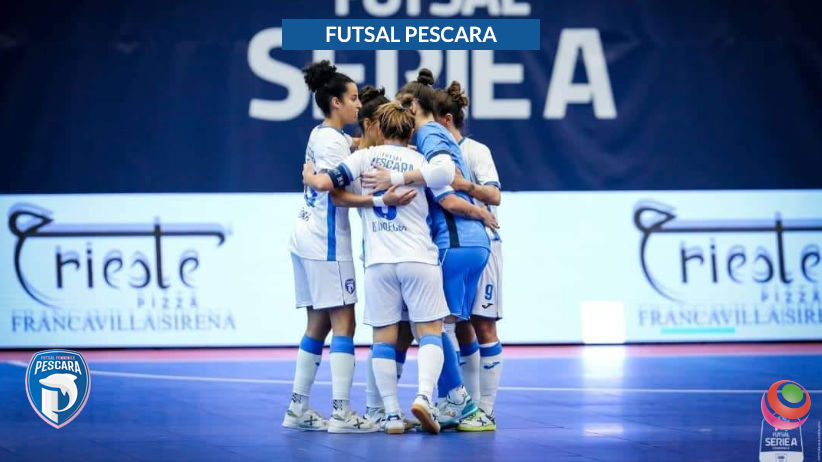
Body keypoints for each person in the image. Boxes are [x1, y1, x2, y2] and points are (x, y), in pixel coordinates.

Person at [303, 100, 484, 434]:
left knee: (383, 338)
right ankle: (424, 396)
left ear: (380, 128)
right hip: (418, 258)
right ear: (409, 130)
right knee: (430, 332)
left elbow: (330, 184)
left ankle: (389, 414)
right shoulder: (419, 161)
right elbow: (447, 185)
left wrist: (310, 176)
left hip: (379, 262)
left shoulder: (364, 158)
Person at [361, 70, 495, 429]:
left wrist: (396, 178)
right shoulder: (425, 140)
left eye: (402, 108)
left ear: (413, 107)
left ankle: (458, 402)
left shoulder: (428, 133)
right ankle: (450, 402)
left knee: (436, 327)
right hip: (470, 241)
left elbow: (444, 179)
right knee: (450, 325)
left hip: (453, 239)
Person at [283, 60, 376, 433]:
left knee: (317, 323)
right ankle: (341, 413)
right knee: (344, 323)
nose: (359, 104)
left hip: (304, 236)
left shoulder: (322, 133)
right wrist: (380, 200)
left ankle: (297, 408)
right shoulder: (333, 142)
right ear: (336, 102)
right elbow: (338, 194)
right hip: (327, 244)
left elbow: (353, 146)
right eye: (353, 98)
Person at [434, 81, 504, 431]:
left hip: (484, 244)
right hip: (452, 245)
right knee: (457, 325)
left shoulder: (475, 151)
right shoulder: (434, 154)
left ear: (447, 119)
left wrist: (464, 186)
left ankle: (486, 411)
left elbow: (494, 195)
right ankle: (464, 408)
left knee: (483, 324)